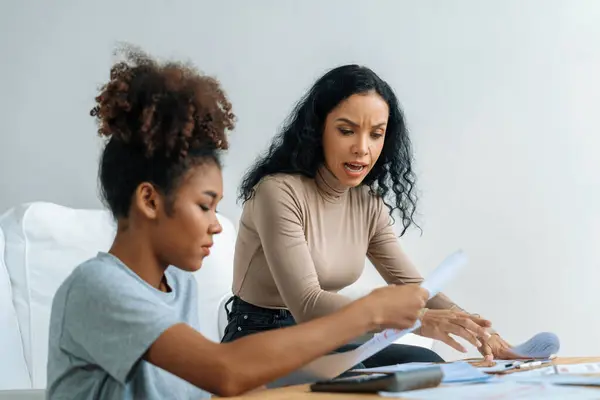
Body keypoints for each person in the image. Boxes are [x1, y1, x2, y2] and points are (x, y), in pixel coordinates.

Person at [46, 45, 434, 399]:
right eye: (205, 206)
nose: (218, 225)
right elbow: (223, 372)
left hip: (278, 350)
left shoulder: (176, 284)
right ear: (149, 200)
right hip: (263, 333)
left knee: (397, 378)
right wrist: (369, 314)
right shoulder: (97, 287)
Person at [223, 64, 519, 366]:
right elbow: (308, 303)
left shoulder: (366, 203)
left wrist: (476, 327)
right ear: (317, 130)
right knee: (360, 381)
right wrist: (419, 319)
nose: (362, 148)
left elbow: (415, 287)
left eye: (376, 134)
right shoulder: (277, 192)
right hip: (260, 336)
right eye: (346, 131)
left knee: (426, 363)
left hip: (325, 335)